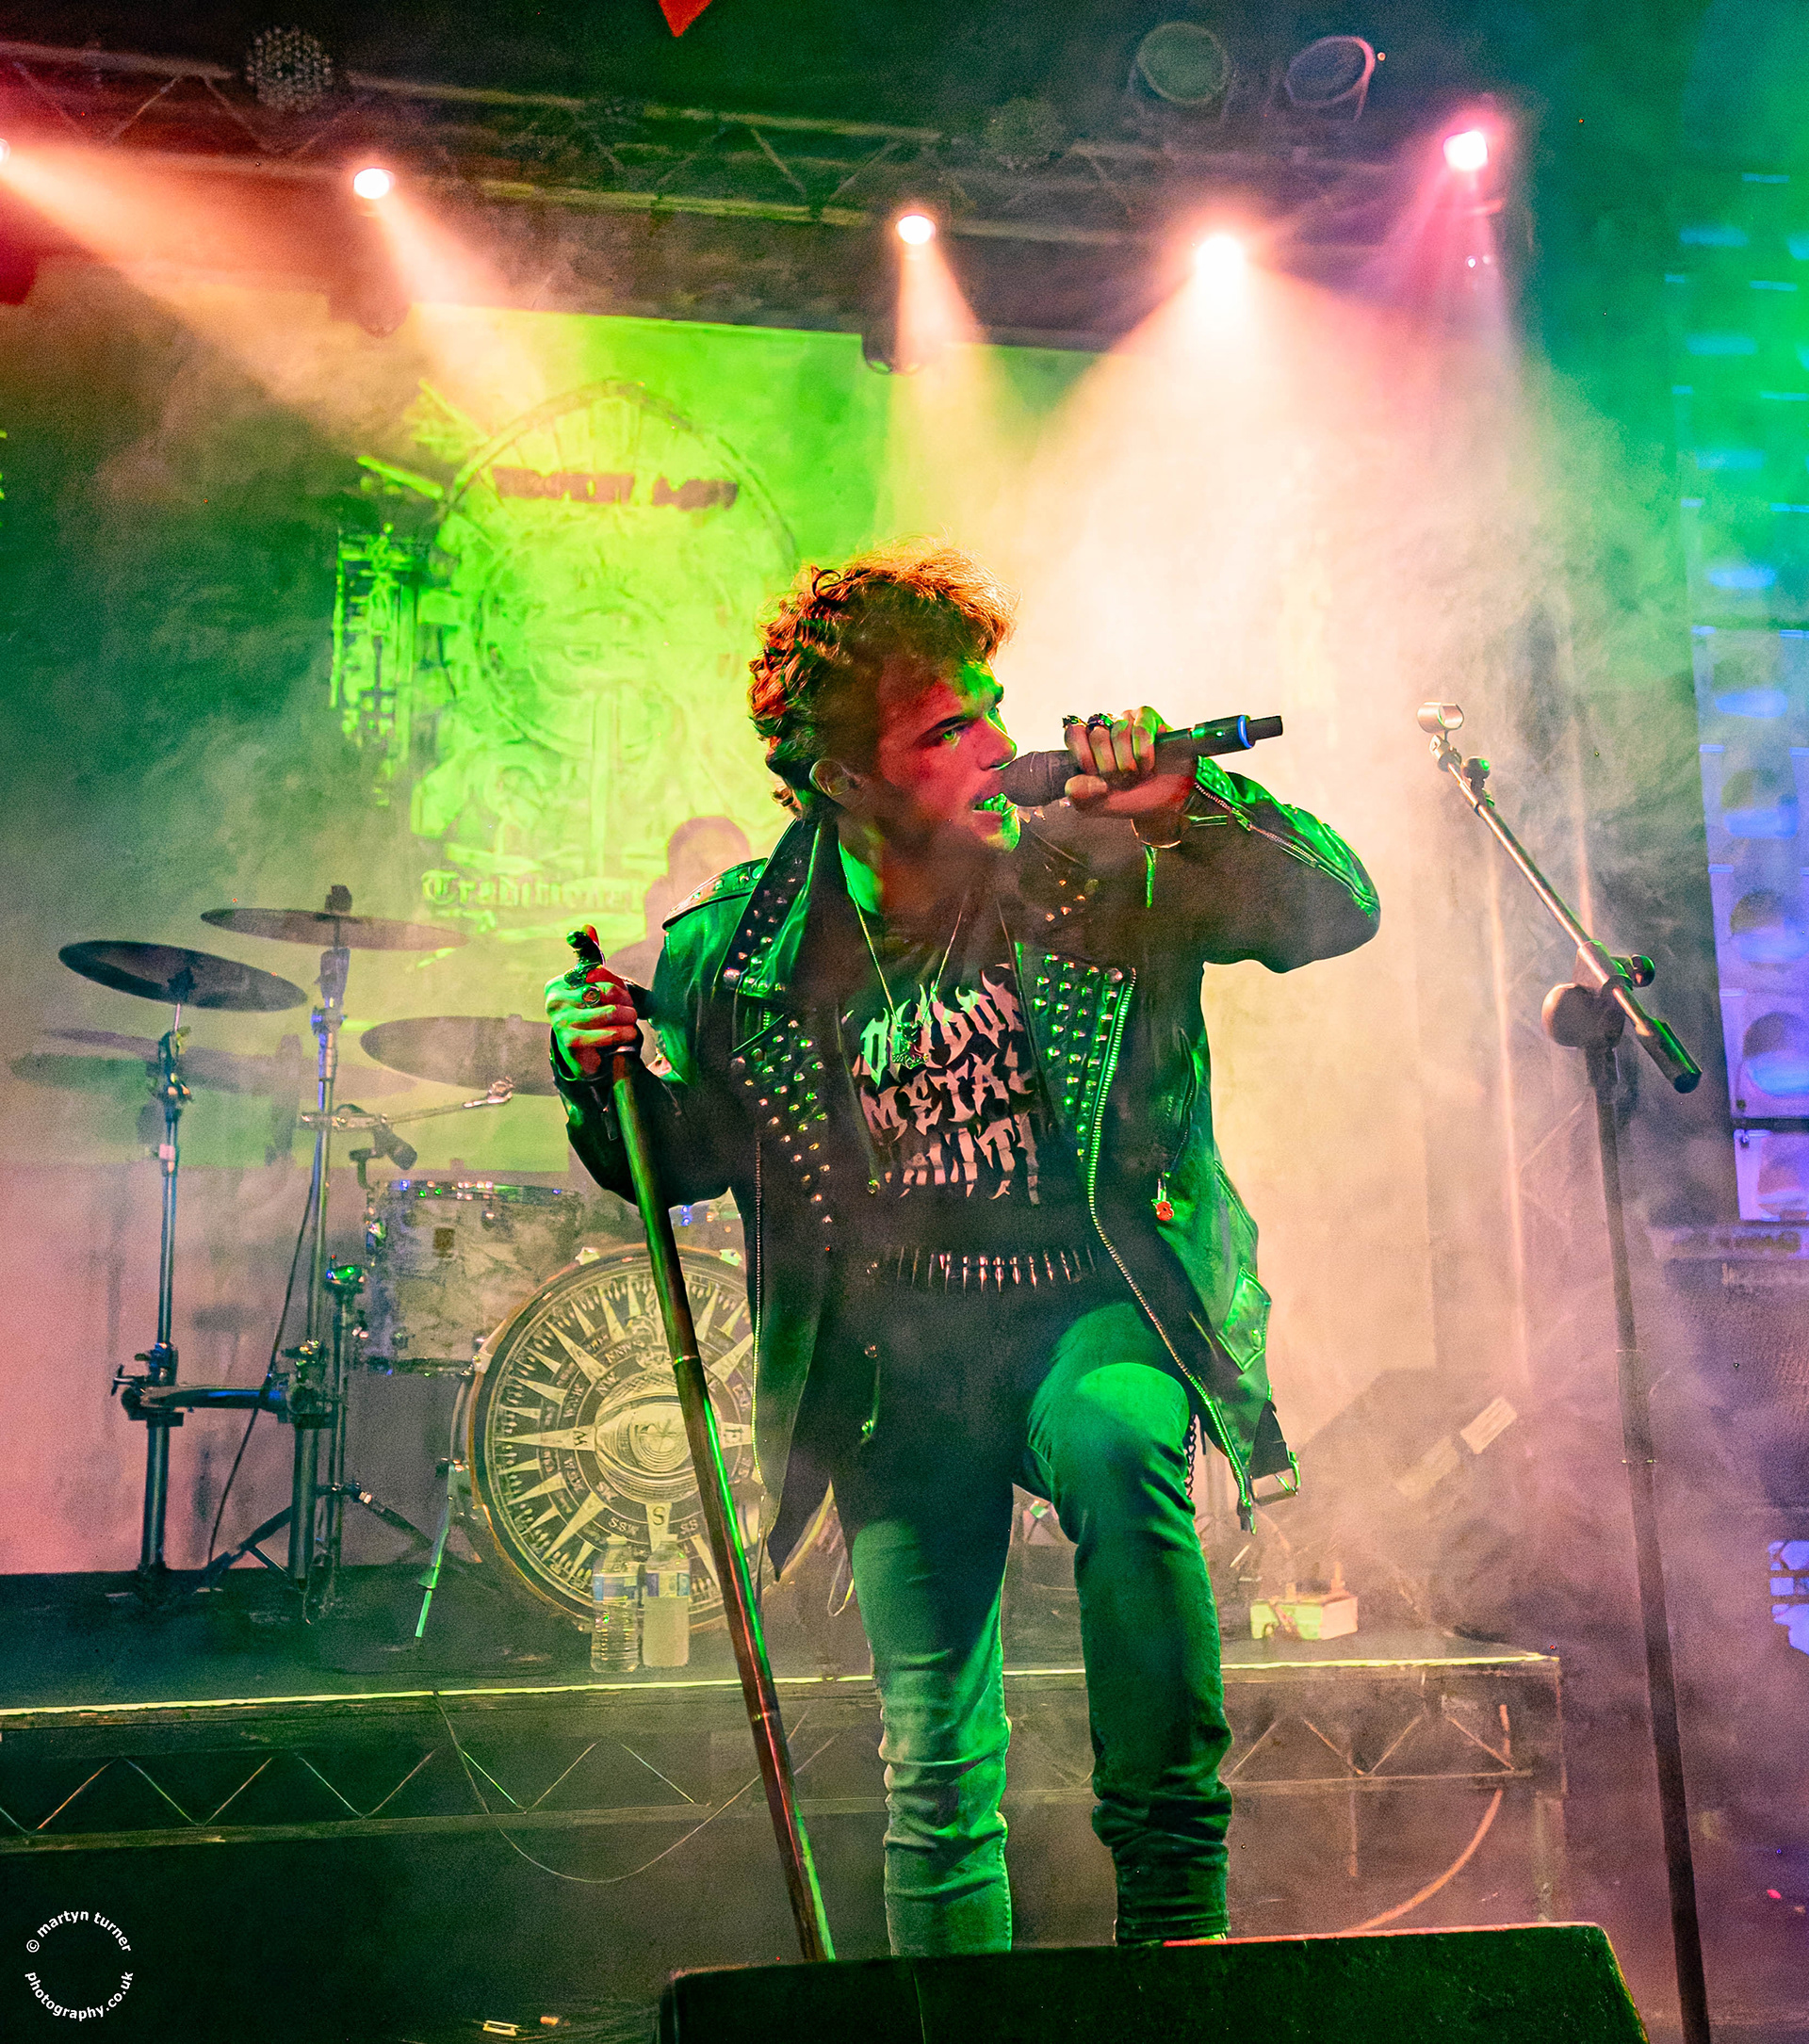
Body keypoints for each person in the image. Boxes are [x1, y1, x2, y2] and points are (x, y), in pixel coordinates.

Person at [546, 541, 1378, 1954]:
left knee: (1119, 1442)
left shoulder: (1096, 862)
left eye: (993, 709)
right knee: (933, 1766)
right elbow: (677, 1161)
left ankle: (1180, 1956)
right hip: (898, 1358)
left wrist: (1193, 807)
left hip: (1092, 1301)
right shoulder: (735, 952)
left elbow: (1336, 911)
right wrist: (595, 1074)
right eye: (947, 730)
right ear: (843, 778)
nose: (1000, 745)